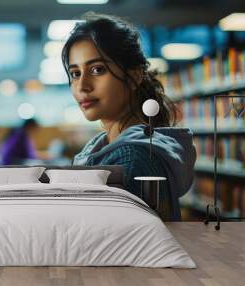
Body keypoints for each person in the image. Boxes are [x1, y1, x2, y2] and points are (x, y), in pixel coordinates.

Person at [62, 12, 196, 221]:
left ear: (134, 76)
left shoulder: (130, 160)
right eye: (75, 73)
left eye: (97, 69)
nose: (82, 86)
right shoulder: (105, 148)